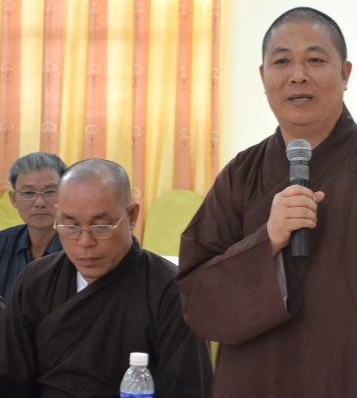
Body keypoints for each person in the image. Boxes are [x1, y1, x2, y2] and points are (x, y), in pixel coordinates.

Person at [177, 7, 357, 397]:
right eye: (282, 62)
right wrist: (267, 240)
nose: (298, 75)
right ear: (263, 77)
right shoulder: (240, 177)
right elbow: (199, 303)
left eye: (315, 60)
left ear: (345, 74)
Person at [0, 159, 213, 397]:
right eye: (70, 227)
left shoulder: (171, 290)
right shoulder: (36, 280)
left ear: (131, 217)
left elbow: (187, 388)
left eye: (100, 227)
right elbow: (10, 379)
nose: (84, 242)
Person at [0, 152, 66, 300]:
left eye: (50, 191)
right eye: (29, 192)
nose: (39, 202)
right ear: (13, 199)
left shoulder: (81, 246)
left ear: (66, 194)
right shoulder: (2, 243)